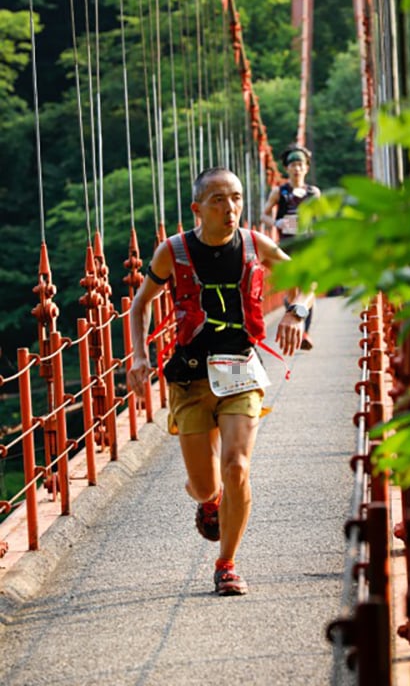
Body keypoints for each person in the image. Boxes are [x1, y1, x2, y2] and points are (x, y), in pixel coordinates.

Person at [128, 166, 312, 597]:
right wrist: (138, 356)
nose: (230, 208)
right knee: (208, 485)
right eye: (218, 200)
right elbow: (140, 306)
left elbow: (305, 278)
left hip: (241, 370)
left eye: (236, 197)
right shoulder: (171, 252)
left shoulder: (254, 243)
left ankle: (227, 563)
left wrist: (296, 310)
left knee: (237, 467)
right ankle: (208, 502)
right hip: (190, 377)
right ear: (197, 209)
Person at [261, 143, 320, 350]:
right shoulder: (280, 191)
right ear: (287, 168)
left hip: (307, 245)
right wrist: (277, 223)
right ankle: (296, 325)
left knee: (307, 288)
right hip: (286, 246)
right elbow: (264, 214)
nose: (297, 168)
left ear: (306, 168)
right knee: (293, 291)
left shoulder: (314, 193)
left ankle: (304, 332)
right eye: (293, 164)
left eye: (300, 164)